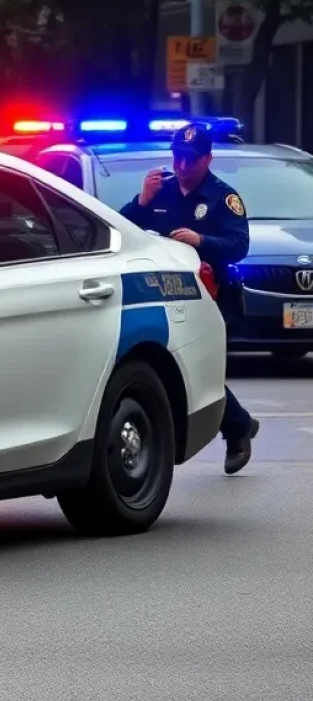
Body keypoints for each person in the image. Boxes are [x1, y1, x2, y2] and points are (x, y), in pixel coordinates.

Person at [120, 122, 259, 474]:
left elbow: (239, 245)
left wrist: (202, 242)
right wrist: (142, 201)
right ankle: (239, 424)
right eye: (178, 157)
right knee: (189, 367)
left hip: (213, 296)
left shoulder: (222, 198)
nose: (182, 166)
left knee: (194, 366)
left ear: (208, 159)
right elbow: (122, 230)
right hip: (166, 293)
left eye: (190, 160)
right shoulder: (161, 192)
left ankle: (238, 429)